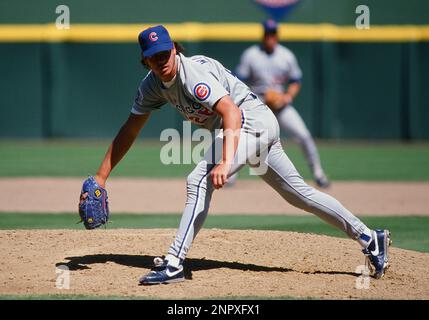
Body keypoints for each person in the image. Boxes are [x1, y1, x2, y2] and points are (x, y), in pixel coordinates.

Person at [88, 25, 390, 285]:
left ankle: (174, 263)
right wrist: (101, 177)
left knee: (198, 180)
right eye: (153, 56)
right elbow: (130, 129)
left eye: (164, 53)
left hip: (251, 122)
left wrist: (225, 160)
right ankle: (369, 238)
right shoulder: (152, 85)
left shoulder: (191, 73)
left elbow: (231, 111)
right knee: (299, 195)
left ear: (174, 50)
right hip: (252, 126)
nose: (161, 60)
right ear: (145, 60)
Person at [232, 19, 330, 188]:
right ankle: (230, 176)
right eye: (268, 34)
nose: (270, 37)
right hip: (258, 105)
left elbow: (295, 81)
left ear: (277, 36)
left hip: (281, 105)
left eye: (273, 34)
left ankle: (318, 173)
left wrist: (287, 97)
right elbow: (238, 79)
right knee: (239, 136)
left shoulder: (286, 56)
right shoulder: (251, 55)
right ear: (263, 35)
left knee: (304, 135)